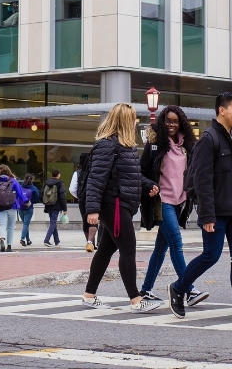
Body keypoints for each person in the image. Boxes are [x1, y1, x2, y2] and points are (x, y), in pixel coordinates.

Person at [169, 92, 232, 321]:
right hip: (217, 211)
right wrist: (207, 215)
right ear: (222, 110)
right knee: (211, 255)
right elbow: (202, 181)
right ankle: (179, 287)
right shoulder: (208, 139)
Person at [81, 103, 164, 313]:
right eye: (132, 119)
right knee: (128, 249)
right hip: (114, 205)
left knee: (106, 250)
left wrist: (147, 186)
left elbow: (129, 176)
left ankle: (89, 295)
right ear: (124, 120)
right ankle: (136, 299)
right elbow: (96, 179)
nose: (134, 122)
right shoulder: (108, 145)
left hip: (121, 204)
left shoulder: (123, 146)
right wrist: (92, 210)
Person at [138, 105, 207, 306]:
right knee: (176, 242)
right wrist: (150, 184)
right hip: (162, 201)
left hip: (179, 202)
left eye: (175, 121)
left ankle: (145, 290)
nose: (171, 124)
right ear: (162, 121)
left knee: (161, 249)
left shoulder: (187, 146)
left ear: (181, 123)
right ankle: (188, 289)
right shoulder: (155, 145)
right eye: (168, 120)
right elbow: (140, 172)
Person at [0, 164, 28, 252]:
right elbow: (20, 193)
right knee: (10, 226)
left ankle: (2, 239)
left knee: (2, 225)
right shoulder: (13, 181)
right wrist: (26, 201)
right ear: (9, 171)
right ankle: (9, 246)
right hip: (12, 206)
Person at [72, 153, 98, 252]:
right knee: (94, 220)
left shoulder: (77, 173)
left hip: (82, 200)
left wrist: (79, 196)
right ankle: (91, 242)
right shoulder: (94, 172)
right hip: (94, 198)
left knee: (85, 220)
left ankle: (88, 242)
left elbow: (72, 189)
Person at [41, 169, 67, 247]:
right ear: (58, 175)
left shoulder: (46, 182)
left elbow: (41, 193)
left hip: (48, 205)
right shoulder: (60, 183)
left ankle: (57, 242)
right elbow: (63, 197)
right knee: (53, 223)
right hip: (56, 205)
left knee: (53, 222)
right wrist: (64, 208)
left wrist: (45, 202)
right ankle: (46, 240)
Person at [18, 173, 41, 247]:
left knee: (25, 224)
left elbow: (16, 196)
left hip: (20, 208)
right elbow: (37, 199)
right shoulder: (34, 188)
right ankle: (22, 239)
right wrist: (31, 201)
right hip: (29, 208)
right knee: (26, 224)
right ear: (32, 180)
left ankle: (28, 240)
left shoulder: (20, 187)